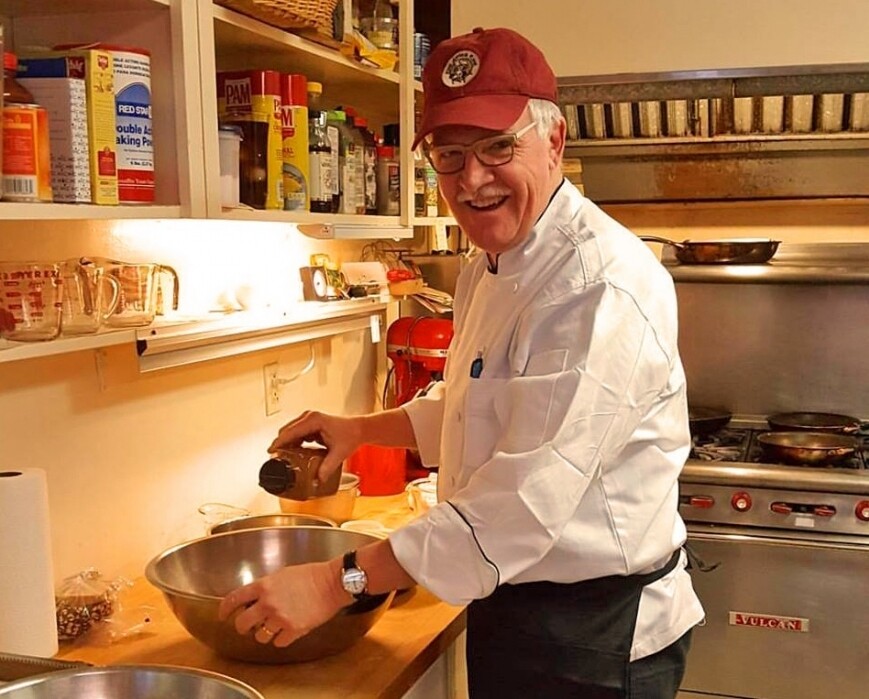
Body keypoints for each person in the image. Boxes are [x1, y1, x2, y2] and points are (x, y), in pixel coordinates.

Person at [219, 27, 704, 698]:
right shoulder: (488, 264)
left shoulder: (598, 285)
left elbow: (524, 503)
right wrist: (361, 430)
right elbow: (481, 407)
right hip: (510, 602)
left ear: (553, 141)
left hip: (595, 631)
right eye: (449, 156)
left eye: (496, 147)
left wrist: (337, 581)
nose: (470, 180)